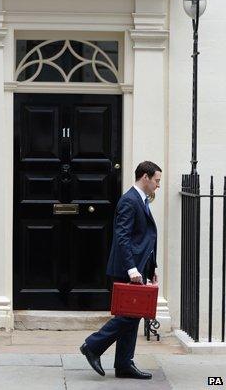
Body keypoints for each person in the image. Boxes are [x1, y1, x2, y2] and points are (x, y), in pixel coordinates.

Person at [80, 161, 162, 380]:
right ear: (145, 177)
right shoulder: (129, 200)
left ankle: (124, 364)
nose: (158, 185)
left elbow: (145, 238)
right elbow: (122, 237)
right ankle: (93, 345)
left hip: (138, 267)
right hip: (128, 268)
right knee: (129, 315)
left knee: (133, 316)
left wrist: (151, 266)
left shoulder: (141, 200)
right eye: (156, 180)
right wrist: (132, 269)